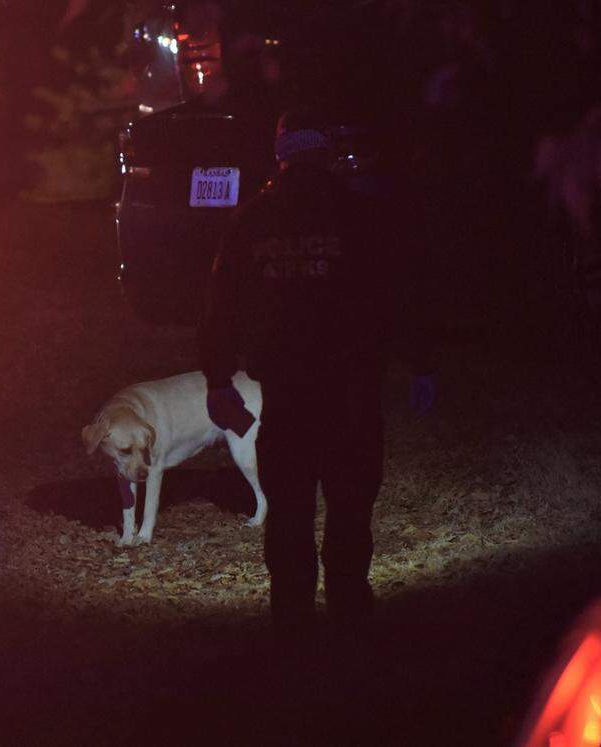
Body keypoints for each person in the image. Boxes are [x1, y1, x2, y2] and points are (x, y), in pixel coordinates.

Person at [199, 109, 435, 635]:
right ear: (325, 153)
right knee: (351, 501)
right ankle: (349, 604)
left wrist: (217, 378)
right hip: (351, 390)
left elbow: (221, 306)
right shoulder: (362, 216)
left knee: (289, 506)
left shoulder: (251, 220)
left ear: (280, 155)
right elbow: (399, 296)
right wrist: (421, 363)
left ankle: (292, 615)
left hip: (286, 394)